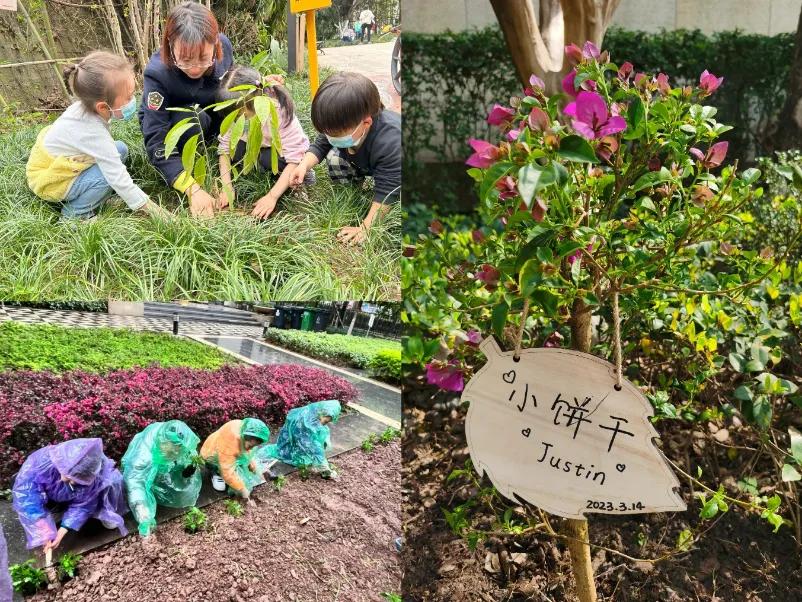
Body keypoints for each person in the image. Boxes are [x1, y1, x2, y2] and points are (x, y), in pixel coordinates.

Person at [25, 51, 167, 221]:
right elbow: (119, 179)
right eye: (129, 96)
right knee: (108, 177)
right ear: (102, 107)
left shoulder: (86, 109)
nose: (134, 99)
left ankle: (97, 198)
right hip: (51, 180)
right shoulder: (91, 131)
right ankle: (76, 215)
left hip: (65, 163)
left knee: (120, 149)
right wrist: (159, 214)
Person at [139, 1, 249, 218]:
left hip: (208, 115)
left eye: (203, 58)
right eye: (186, 60)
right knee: (190, 119)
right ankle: (188, 158)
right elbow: (156, 139)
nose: (196, 68)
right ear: (171, 45)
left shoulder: (224, 48)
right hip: (176, 122)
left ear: (216, 43)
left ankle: (210, 148)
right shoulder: (157, 74)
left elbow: (231, 91)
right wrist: (192, 189)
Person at [289, 72, 401, 245]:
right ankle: (350, 191)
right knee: (334, 157)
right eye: (327, 132)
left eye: (335, 133)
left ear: (366, 123)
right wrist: (304, 165)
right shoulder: (344, 125)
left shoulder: (391, 142)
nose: (329, 136)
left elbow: (388, 189)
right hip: (367, 160)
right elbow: (321, 144)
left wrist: (366, 227)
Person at [217, 66, 315, 219]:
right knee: (238, 149)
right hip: (255, 150)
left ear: (257, 103)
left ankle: (297, 183)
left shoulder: (279, 111)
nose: (238, 121)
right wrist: (226, 185)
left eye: (242, 116)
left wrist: (272, 197)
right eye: (234, 117)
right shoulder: (237, 111)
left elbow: (295, 157)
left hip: (281, 155)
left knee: (275, 160)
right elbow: (224, 149)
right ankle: (261, 168)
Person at [11, 438, 127, 552]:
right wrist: (41, 525)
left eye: (77, 480)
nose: (71, 482)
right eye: (70, 476)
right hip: (50, 494)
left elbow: (83, 504)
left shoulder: (94, 475)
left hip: (67, 495)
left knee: (113, 482)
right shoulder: (43, 462)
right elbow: (26, 494)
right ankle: (53, 510)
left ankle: (106, 512)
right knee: (20, 486)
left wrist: (62, 531)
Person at [121, 420, 202, 537]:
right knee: (144, 484)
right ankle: (153, 483)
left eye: (178, 450)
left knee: (182, 489)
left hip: (162, 464)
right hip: (145, 470)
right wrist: (142, 513)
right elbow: (135, 483)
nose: (176, 452)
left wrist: (187, 468)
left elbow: (189, 453)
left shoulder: (179, 442)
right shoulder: (142, 458)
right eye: (171, 451)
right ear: (162, 444)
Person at [255, 400, 341, 479]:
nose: (323, 424)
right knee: (302, 450)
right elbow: (312, 445)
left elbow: (317, 434)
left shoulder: (316, 413)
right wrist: (325, 468)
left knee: (317, 440)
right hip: (294, 435)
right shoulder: (303, 422)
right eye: (325, 421)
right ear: (323, 412)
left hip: (298, 435)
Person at [200, 418, 270, 504]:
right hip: (212, 455)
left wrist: (254, 469)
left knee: (242, 471)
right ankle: (215, 472)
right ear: (245, 438)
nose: (251, 448)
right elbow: (227, 470)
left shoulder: (246, 430)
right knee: (222, 482)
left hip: (230, 451)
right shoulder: (229, 441)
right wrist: (242, 489)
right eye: (250, 445)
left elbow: (247, 454)